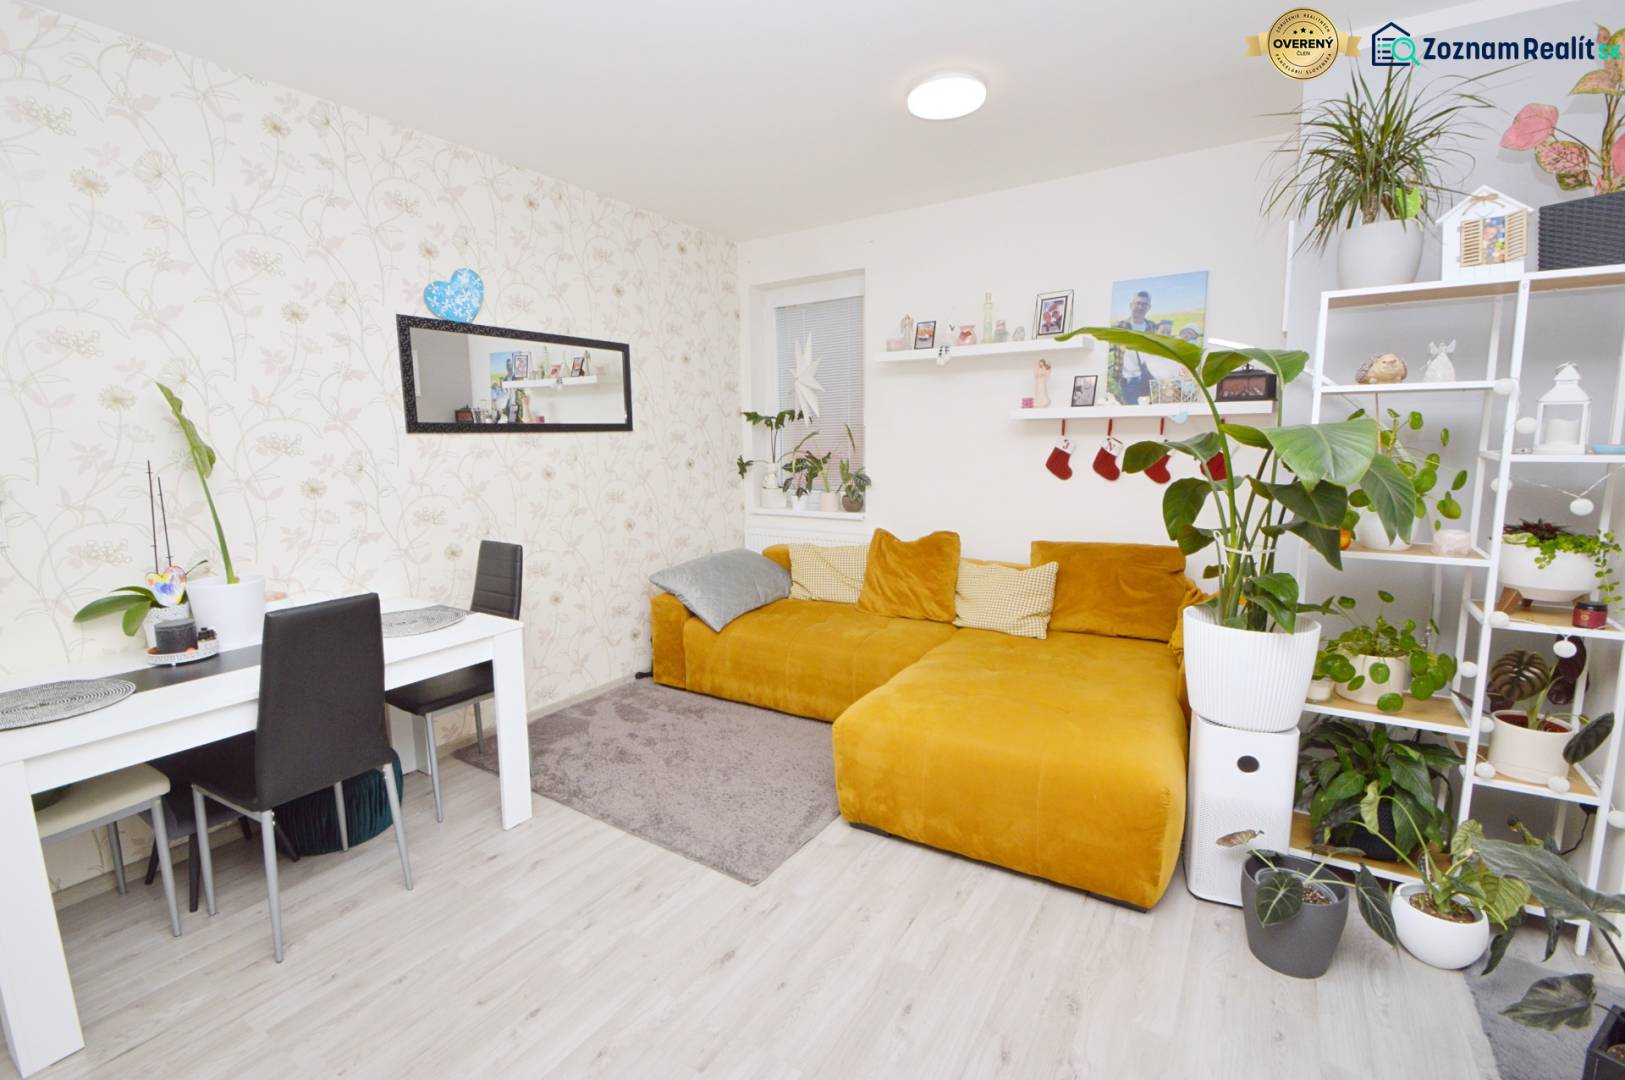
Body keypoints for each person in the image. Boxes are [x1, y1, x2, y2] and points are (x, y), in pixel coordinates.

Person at [1111, 290, 1155, 404]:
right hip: (1129, 381)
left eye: (1144, 304)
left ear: (1149, 307)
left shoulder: (1153, 327)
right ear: (1131, 305)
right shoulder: (1120, 327)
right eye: (1138, 303)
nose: (1140, 307)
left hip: (1149, 379)